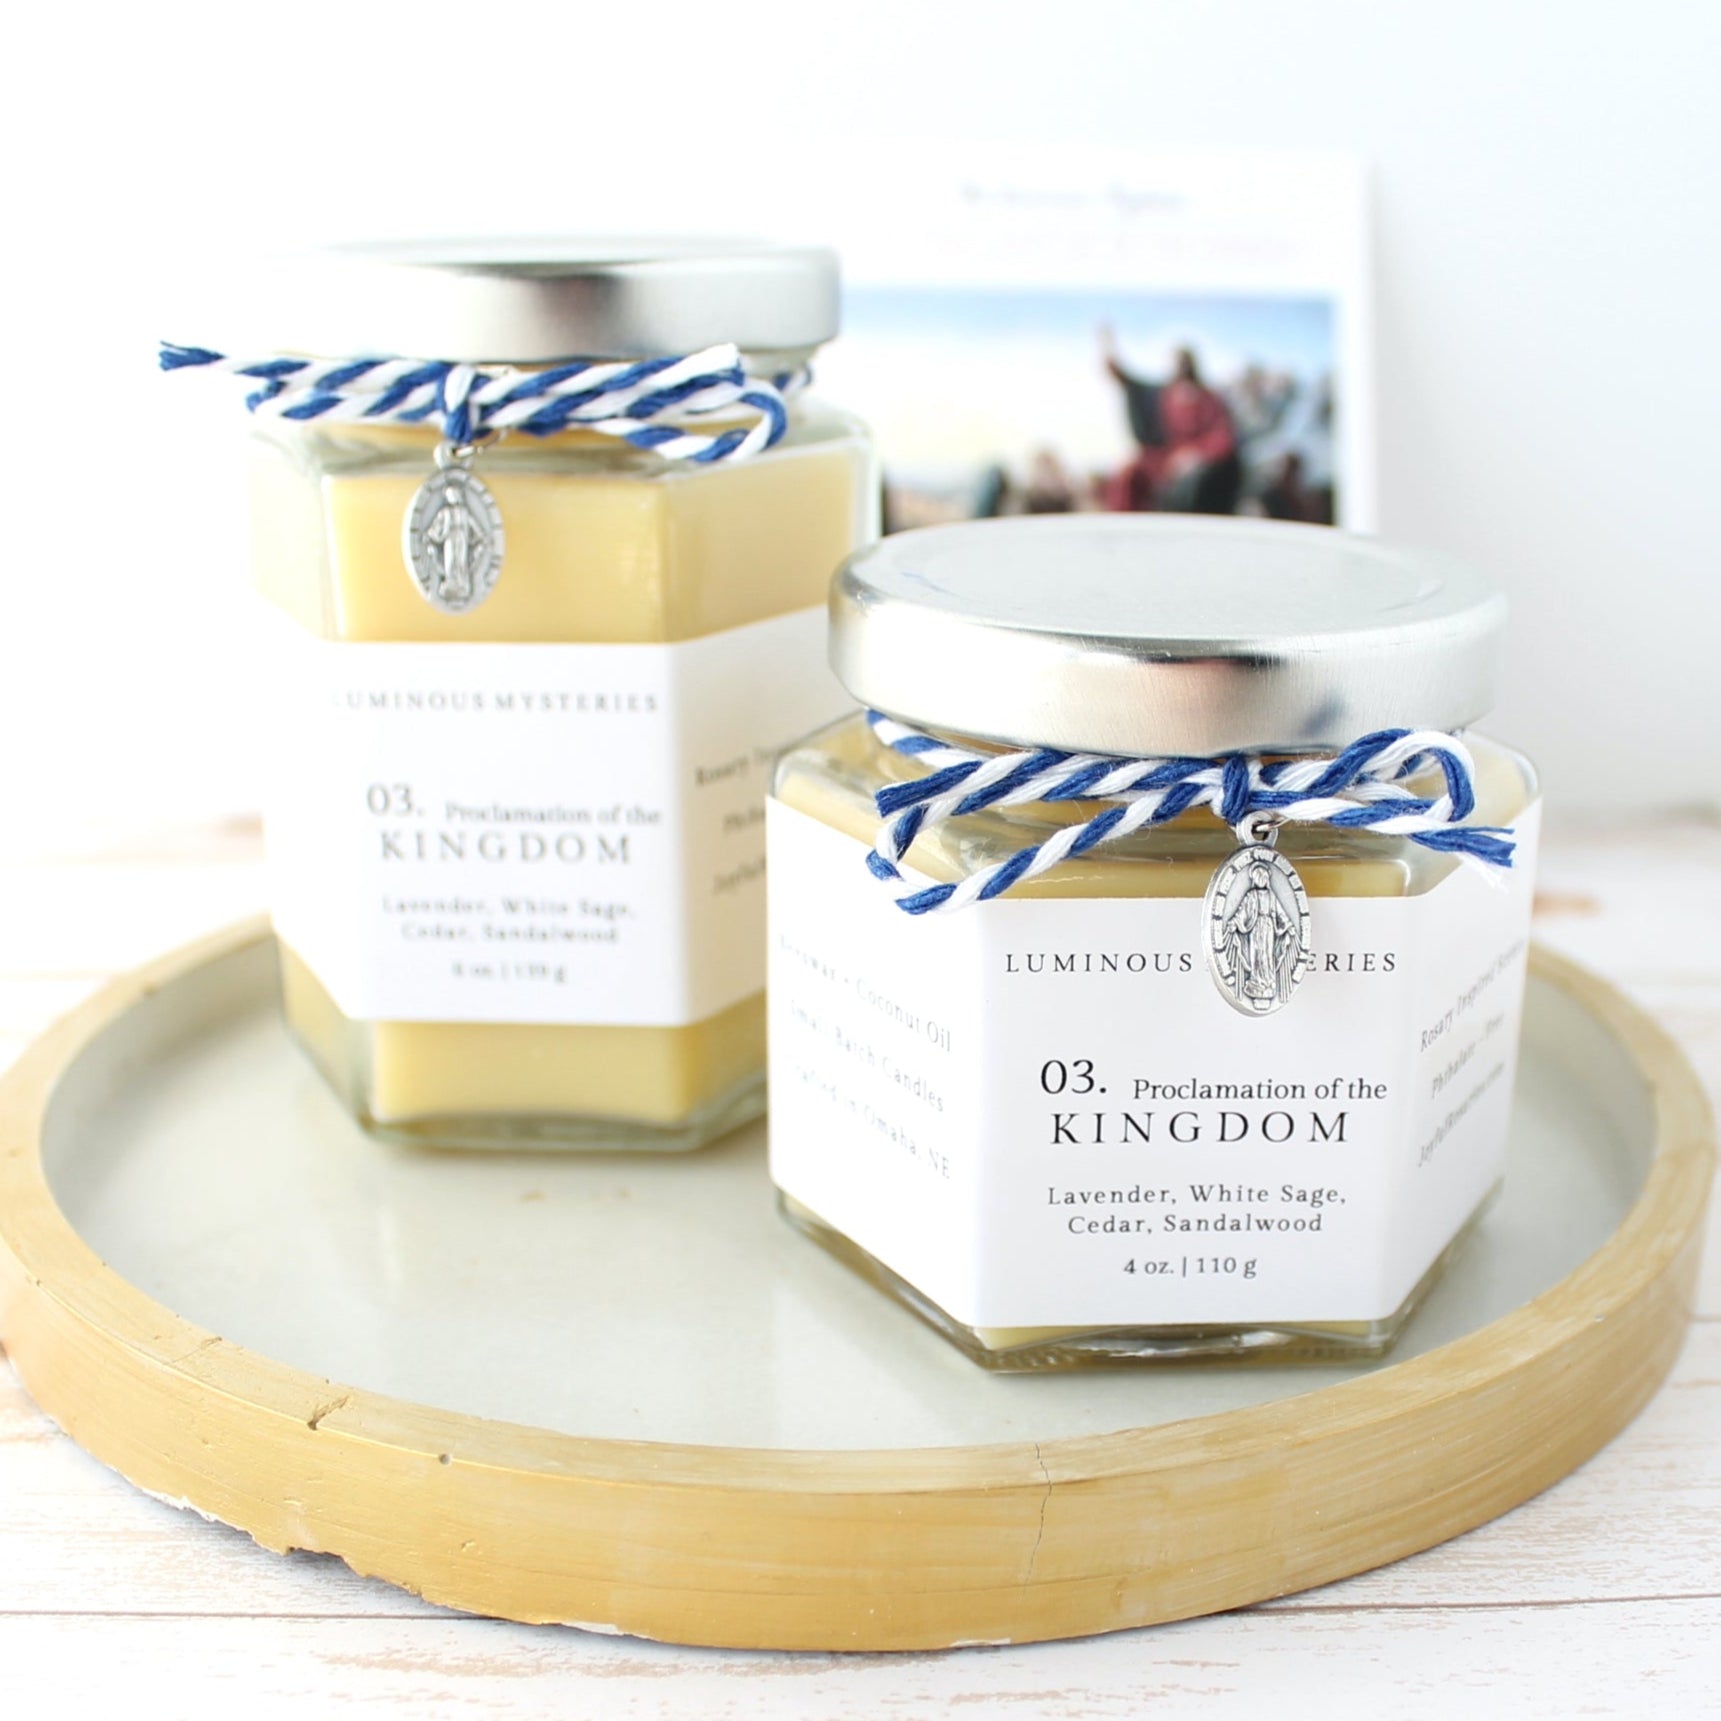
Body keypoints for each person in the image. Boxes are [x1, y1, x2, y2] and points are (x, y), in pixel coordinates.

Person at [1099, 328, 1242, 515]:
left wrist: (1196, 455)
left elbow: (1223, 435)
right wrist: (1108, 345)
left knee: (1191, 486)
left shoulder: (1209, 398)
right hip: (1162, 458)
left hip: (1198, 461)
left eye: (1185, 362)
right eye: (1178, 362)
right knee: (1128, 476)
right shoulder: (1161, 394)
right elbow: (1124, 378)